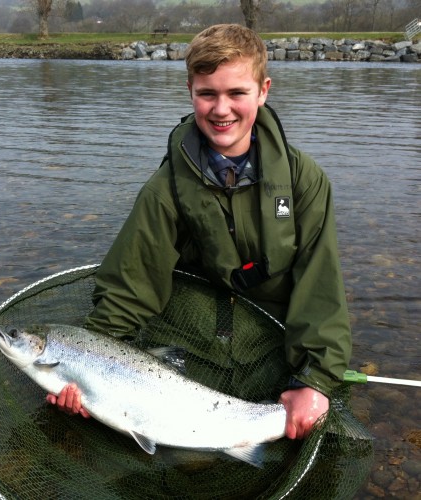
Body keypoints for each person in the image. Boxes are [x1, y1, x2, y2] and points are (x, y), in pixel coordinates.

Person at [47, 24, 351, 440]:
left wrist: (315, 379)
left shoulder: (305, 180)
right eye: (207, 94)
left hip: (273, 338)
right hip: (194, 337)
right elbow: (129, 286)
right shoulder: (163, 191)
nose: (221, 109)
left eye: (237, 94)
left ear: (263, 90)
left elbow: (321, 288)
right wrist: (84, 369)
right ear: (190, 91)